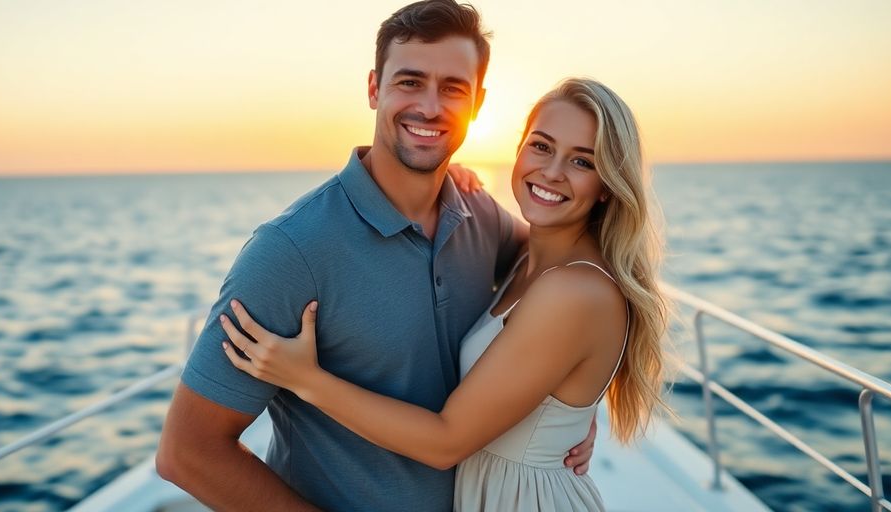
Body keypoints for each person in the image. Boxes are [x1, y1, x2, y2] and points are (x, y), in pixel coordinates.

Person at [154, 2, 595, 511]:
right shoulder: (291, 250)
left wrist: (571, 410)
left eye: (452, 88)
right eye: (409, 82)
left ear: (477, 104)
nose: (430, 107)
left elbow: (568, 290)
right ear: (373, 88)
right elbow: (187, 452)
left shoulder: (480, 213)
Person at [220, 77, 671, 511]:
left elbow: (445, 442)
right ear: (518, 150)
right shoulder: (531, 255)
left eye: (582, 162)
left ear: (609, 187)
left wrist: (304, 379)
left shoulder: (573, 291)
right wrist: (443, 179)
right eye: (541, 146)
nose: (551, 172)